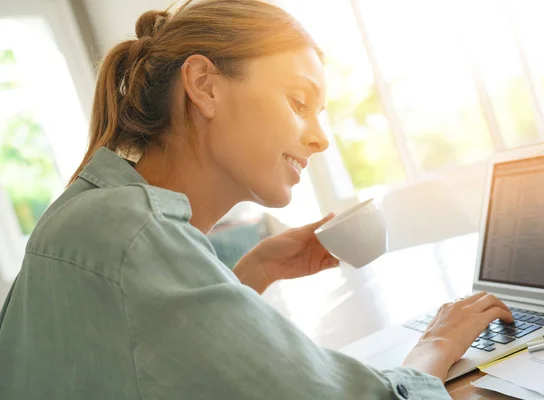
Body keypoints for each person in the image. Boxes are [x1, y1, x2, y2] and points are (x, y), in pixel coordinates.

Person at [0, 1, 513, 399]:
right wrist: (438, 344)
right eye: (298, 101)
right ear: (204, 86)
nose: (320, 139)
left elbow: (136, 358)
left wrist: (250, 275)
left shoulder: (91, 210)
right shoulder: (134, 235)